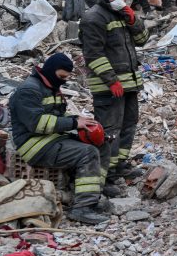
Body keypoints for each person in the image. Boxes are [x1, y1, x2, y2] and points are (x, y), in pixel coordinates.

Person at [9, 53, 110, 225]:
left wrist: (82, 124)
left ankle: (93, 194)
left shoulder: (50, 87)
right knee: (88, 153)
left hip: (51, 138)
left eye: (66, 78)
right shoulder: (29, 90)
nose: (63, 81)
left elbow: (57, 115)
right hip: (34, 144)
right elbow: (37, 123)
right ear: (50, 70)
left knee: (101, 144)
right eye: (61, 77)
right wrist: (73, 123)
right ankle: (82, 208)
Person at [80, 0, 149, 193]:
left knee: (129, 125)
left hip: (129, 84)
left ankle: (119, 165)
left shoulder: (122, 14)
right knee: (109, 131)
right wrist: (111, 80)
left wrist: (133, 19)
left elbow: (142, 40)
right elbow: (93, 54)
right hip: (109, 86)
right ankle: (104, 177)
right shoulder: (94, 18)